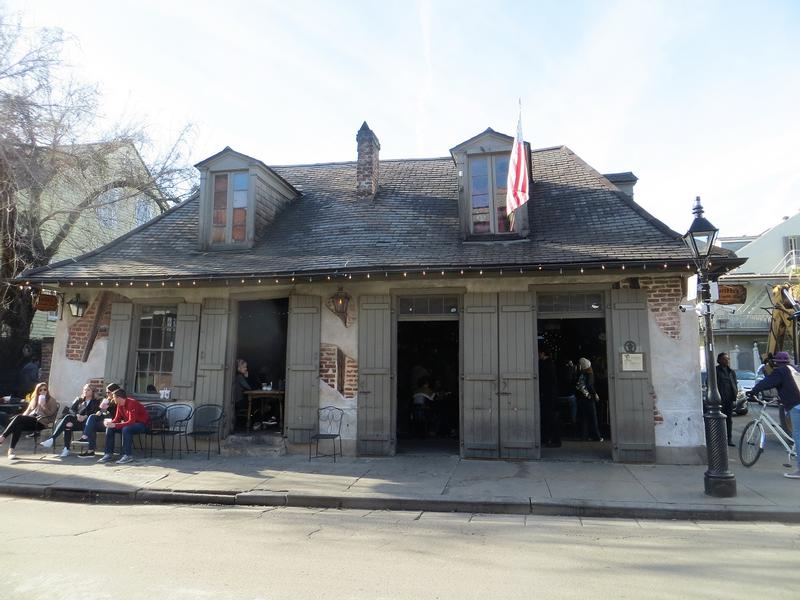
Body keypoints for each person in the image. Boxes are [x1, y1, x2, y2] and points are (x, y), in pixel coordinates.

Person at [747, 351, 800, 479]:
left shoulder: (780, 371)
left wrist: (753, 391)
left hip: (796, 406)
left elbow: (767, 382)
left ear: (775, 362)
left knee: (798, 437)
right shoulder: (794, 369)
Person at [39, 383, 101, 458]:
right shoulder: (79, 399)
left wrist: (85, 417)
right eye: (84, 389)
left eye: (88, 390)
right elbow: (71, 410)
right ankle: (64, 447)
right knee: (68, 422)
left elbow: (95, 412)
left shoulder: (96, 401)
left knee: (67, 424)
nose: (85, 391)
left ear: (93, 392)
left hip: (86, 424)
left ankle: (54, 440)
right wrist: (77, 415)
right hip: (77, 421)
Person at [0, 382, 58, 459]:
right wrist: (20, 419)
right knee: (18, 424)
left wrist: (43, 406)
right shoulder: (34, 400)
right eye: (40, 390)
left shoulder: (51, 400)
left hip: (42, 422)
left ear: (47, 390)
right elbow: (27, 412)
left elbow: (51, 414)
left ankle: (2, 437)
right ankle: (11, 451)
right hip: (31, 420)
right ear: (37, 391)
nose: (43, 391)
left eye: (45, 389)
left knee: (18, 418)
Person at [96, 383, 150, 464]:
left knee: (126, 429)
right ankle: (108, 454)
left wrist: (116, 425)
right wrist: (110, 423)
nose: (113, 400)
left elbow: (131, 421)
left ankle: (127, 455)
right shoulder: (119, 405)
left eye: (114, 398)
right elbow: (117, 419)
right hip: (130, 424)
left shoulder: (132, 403)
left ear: (119, 397)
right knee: (110, 428)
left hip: (142, 425)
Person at [576, 358, 603, 442]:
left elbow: (578, 386)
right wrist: (594, 394)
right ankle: (597, 436)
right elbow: (590, 385)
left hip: (581, 398)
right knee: (593, 418)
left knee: (584, 418)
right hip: (588, 398)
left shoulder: (581, 374)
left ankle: (584, 436)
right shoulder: (590, 373)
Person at [715, 352, 738, 447]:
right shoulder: (715, 371)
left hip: (729, 400)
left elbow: (734, 383)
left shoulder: (731, 371)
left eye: (728, 359)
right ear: (719, 360)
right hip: (720, 400)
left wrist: (735, 394)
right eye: (725, 359)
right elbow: (710, 384)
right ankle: (718, 439)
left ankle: (729, 439)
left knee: (729, 420)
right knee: (719, 420)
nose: (727, 360)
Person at [539, 348, 560, 447]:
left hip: (548, 395)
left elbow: (545, 381)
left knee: (548, 417)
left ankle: (549, 438)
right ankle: (552, 439)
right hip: (551, 395)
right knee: (551, 417)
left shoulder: (545, 364)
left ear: (543, 353)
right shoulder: (551, 364)